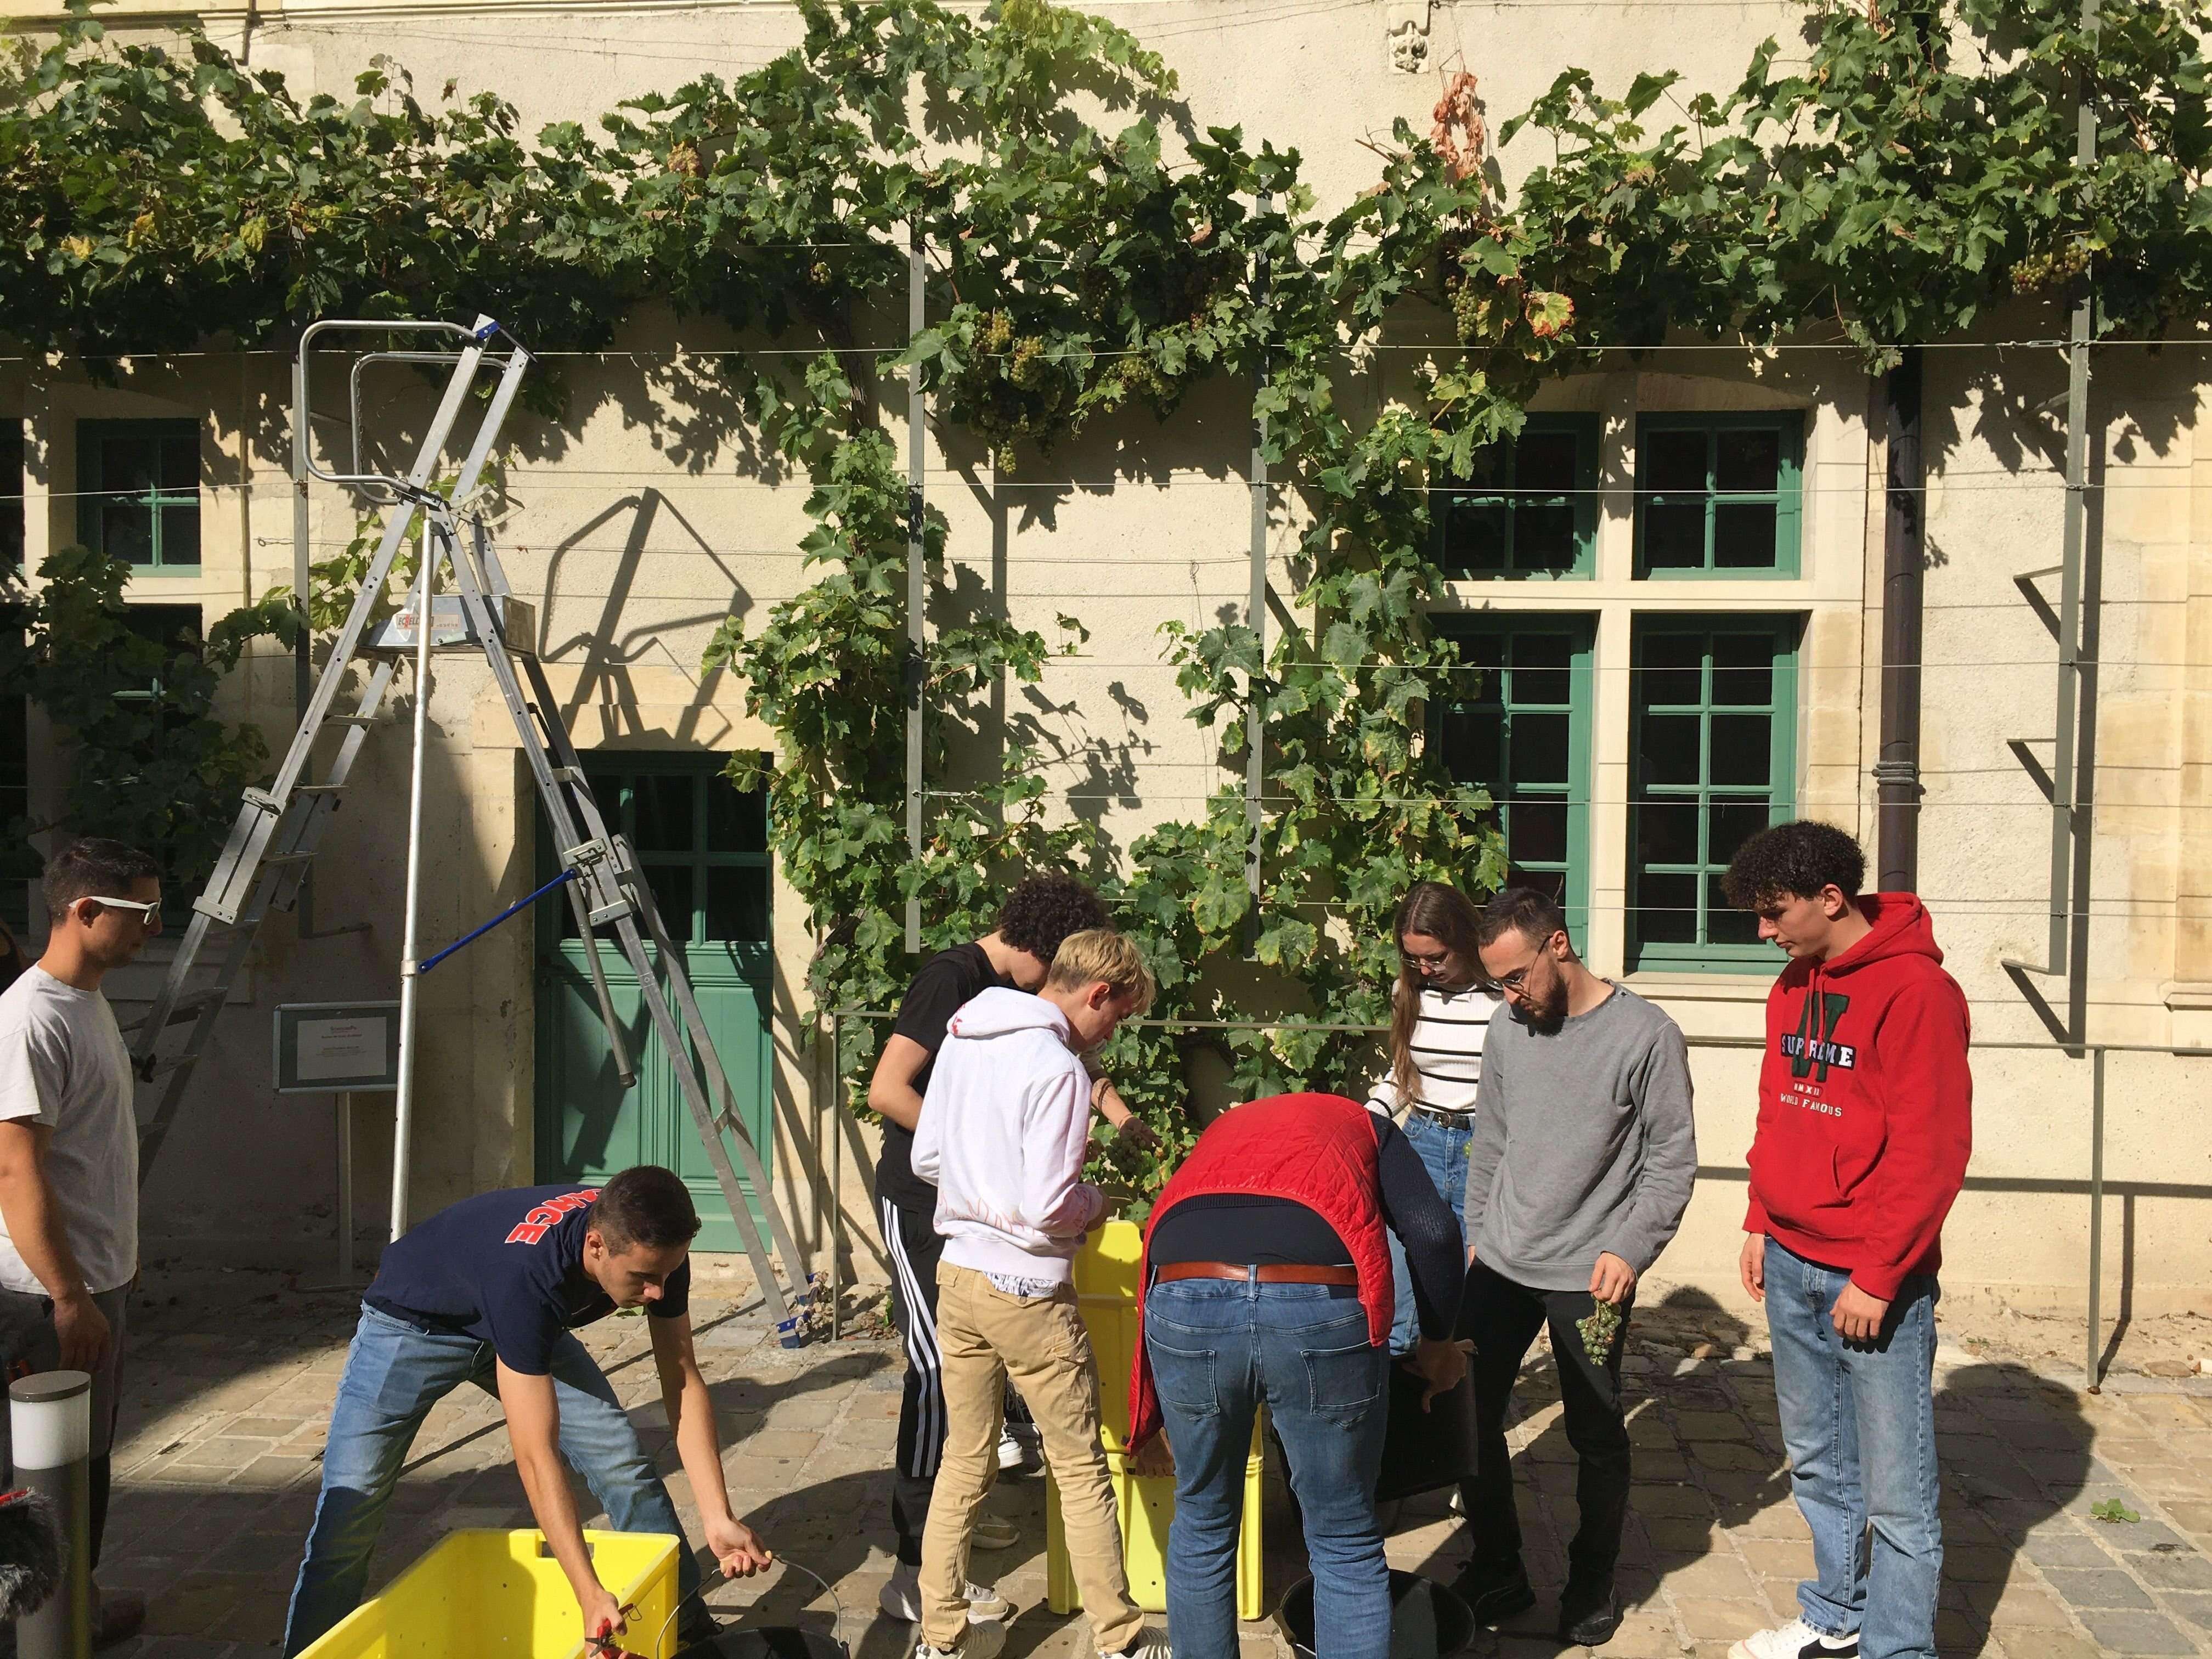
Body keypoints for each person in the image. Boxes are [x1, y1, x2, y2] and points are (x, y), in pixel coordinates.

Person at [279, 1167, 771, 1657]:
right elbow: (536, 1457)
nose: (657, 1293)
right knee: (352, 1510)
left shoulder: (656, 1249)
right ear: (597, 1246)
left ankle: (683, 1626)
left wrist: (717, 1516)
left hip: (525, 1321)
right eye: (643, 1279)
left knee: (619, 1457)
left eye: (664, 1275)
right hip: (413, 1326)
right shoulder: (529, 1280)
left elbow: (682, 1377)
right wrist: (588, 1592)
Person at [865, 874, 1156, 1624]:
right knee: (943, 1387)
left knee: (969, 1445)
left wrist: (1120, 1119)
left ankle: (939, 1621)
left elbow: (1072, 1063)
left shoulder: (992, 1023)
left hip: (965, 1243)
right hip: (951, 1224)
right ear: (1058, 960)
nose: (1109, 1036)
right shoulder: (953, 986)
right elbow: (888, 1092)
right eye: (1115, 1018)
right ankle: (1111, 1631)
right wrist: (1006, 1167)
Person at [1720, 822, 1971, 1659]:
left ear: (1832, 898)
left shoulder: (1919, 994)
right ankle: (1837, 1615)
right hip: (1791, 1261)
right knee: (1820, 1462)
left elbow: (1930, 1151)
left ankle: (1899, 1649)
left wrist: (1879, 1272)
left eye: (1773, 913)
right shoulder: (1794, 985)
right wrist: (1761, 1216)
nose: (1764, 932)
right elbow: (1778, 1107)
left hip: (1871, 1281)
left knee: (1898, 1493)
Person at [1128, 1091, 1469, 1659]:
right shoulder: (1368, 1125)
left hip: (1185, 1296)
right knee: (1344, 1541)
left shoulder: (1225, 1129)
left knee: (1204, 1522)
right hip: (1319, 1307)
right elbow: (1434, 1233)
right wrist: (1437, 1346)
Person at [1459, 887, 1697, 1646]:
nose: (1510, 995)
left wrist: (1628, 1250)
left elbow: (1671, 1163)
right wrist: (1475, 1237)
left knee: (1596, 1432)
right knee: (1466, 1416)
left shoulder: (1647, 1036)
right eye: (1498, 982)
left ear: (1557, 945)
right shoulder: (1506, 1029)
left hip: (1589, 1278)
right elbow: (1489, 1142)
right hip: (1499, 1263)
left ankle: (1591, 1579)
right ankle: (1498, 1566)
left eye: (1517, 976)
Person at [0, 837, 163, 1652]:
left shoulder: (85, 1002)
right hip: (44, 1296)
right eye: (140, 913)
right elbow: (15, 1169)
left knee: (86, 1463)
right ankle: (40, 1627)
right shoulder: (29, 1018)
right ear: (85, 911)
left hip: (97, 1281)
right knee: (41, 1471)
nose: (153, 927)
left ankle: (74, 1607)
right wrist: (69, 1297)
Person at [1364, 883, 1498, 1354]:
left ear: (1465, 939)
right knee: (1409, 1282)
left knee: (1469, 1297)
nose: (1425, 969)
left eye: (1436, 958)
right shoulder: (1410, 990)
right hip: (1420, 1140)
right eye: (1414, 958)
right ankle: (1407, 1409)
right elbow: (1404, 1075)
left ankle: (1468, 1420)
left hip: (1483, 1149)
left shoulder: (1504, 996)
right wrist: (1366, 1122)